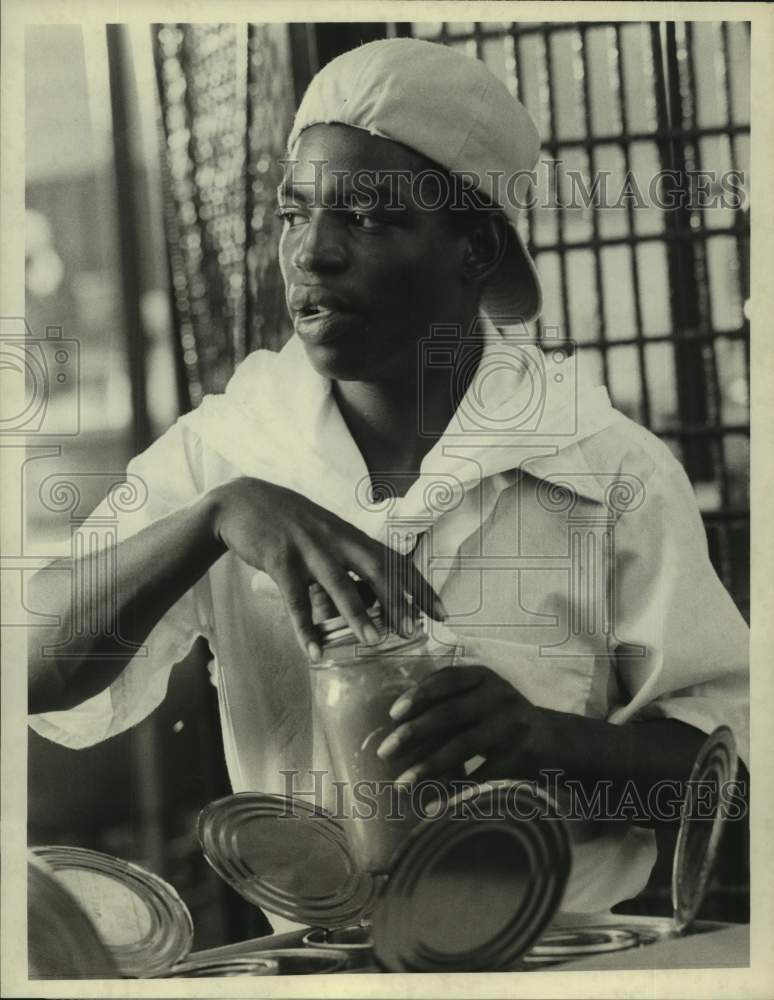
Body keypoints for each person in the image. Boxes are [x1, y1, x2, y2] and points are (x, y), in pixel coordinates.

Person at [28, 38, 748, 922]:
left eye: (367, 217)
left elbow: (735, 781)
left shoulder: (606, 469)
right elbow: (30, 670)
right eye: (294, 215)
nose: (312, 255)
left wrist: (549, 742)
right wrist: (217, 518)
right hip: (317, 966)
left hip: (558, 958)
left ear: (475, 248)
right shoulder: (227, 451)